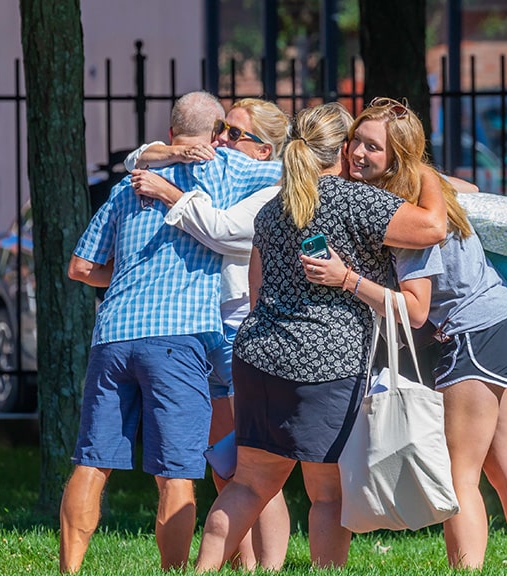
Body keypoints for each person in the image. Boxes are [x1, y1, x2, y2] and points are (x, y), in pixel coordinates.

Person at [194, 102, 447, 571]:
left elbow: (256, 287)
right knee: (328, 495)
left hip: (258, 356)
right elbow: (433, 226)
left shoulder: (275, 207)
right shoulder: (357, 201)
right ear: (341, 148)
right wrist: (419, 167)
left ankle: (203, 570)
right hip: (327, 364)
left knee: (248, 486)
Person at [304, 97, 507, 570]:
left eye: (372, 148)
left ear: (397, 158)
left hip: (476, 334)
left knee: (460, 477)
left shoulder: (407, 217)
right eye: (356, 140)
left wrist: (345, 279)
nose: (356, 152)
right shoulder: (427, 185)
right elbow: (470, 185)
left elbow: (415, 312)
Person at [59, 90, 283, 574]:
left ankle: (69, 569)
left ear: (170, 132)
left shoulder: (129, 186)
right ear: (217, 134)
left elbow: (80, 267)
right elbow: (299, 172)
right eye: (225, 133)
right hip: (179, 338)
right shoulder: (227, 171)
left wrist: (152, 157)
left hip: (114, 334)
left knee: (91, 463)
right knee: (176, 473)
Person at [124, 97, 292, 570]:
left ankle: (270, 565)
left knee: (257, 468)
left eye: (235, 133)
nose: (221, 139)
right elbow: (135, 158)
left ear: (264, 150)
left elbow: (225, 233)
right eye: (221, 128)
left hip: (242, 331)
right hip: (202, 327)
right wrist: (172, 157)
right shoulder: (214, 171)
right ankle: (244, 562)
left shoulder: (273, 186)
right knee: (226, 465)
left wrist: (171, 194)